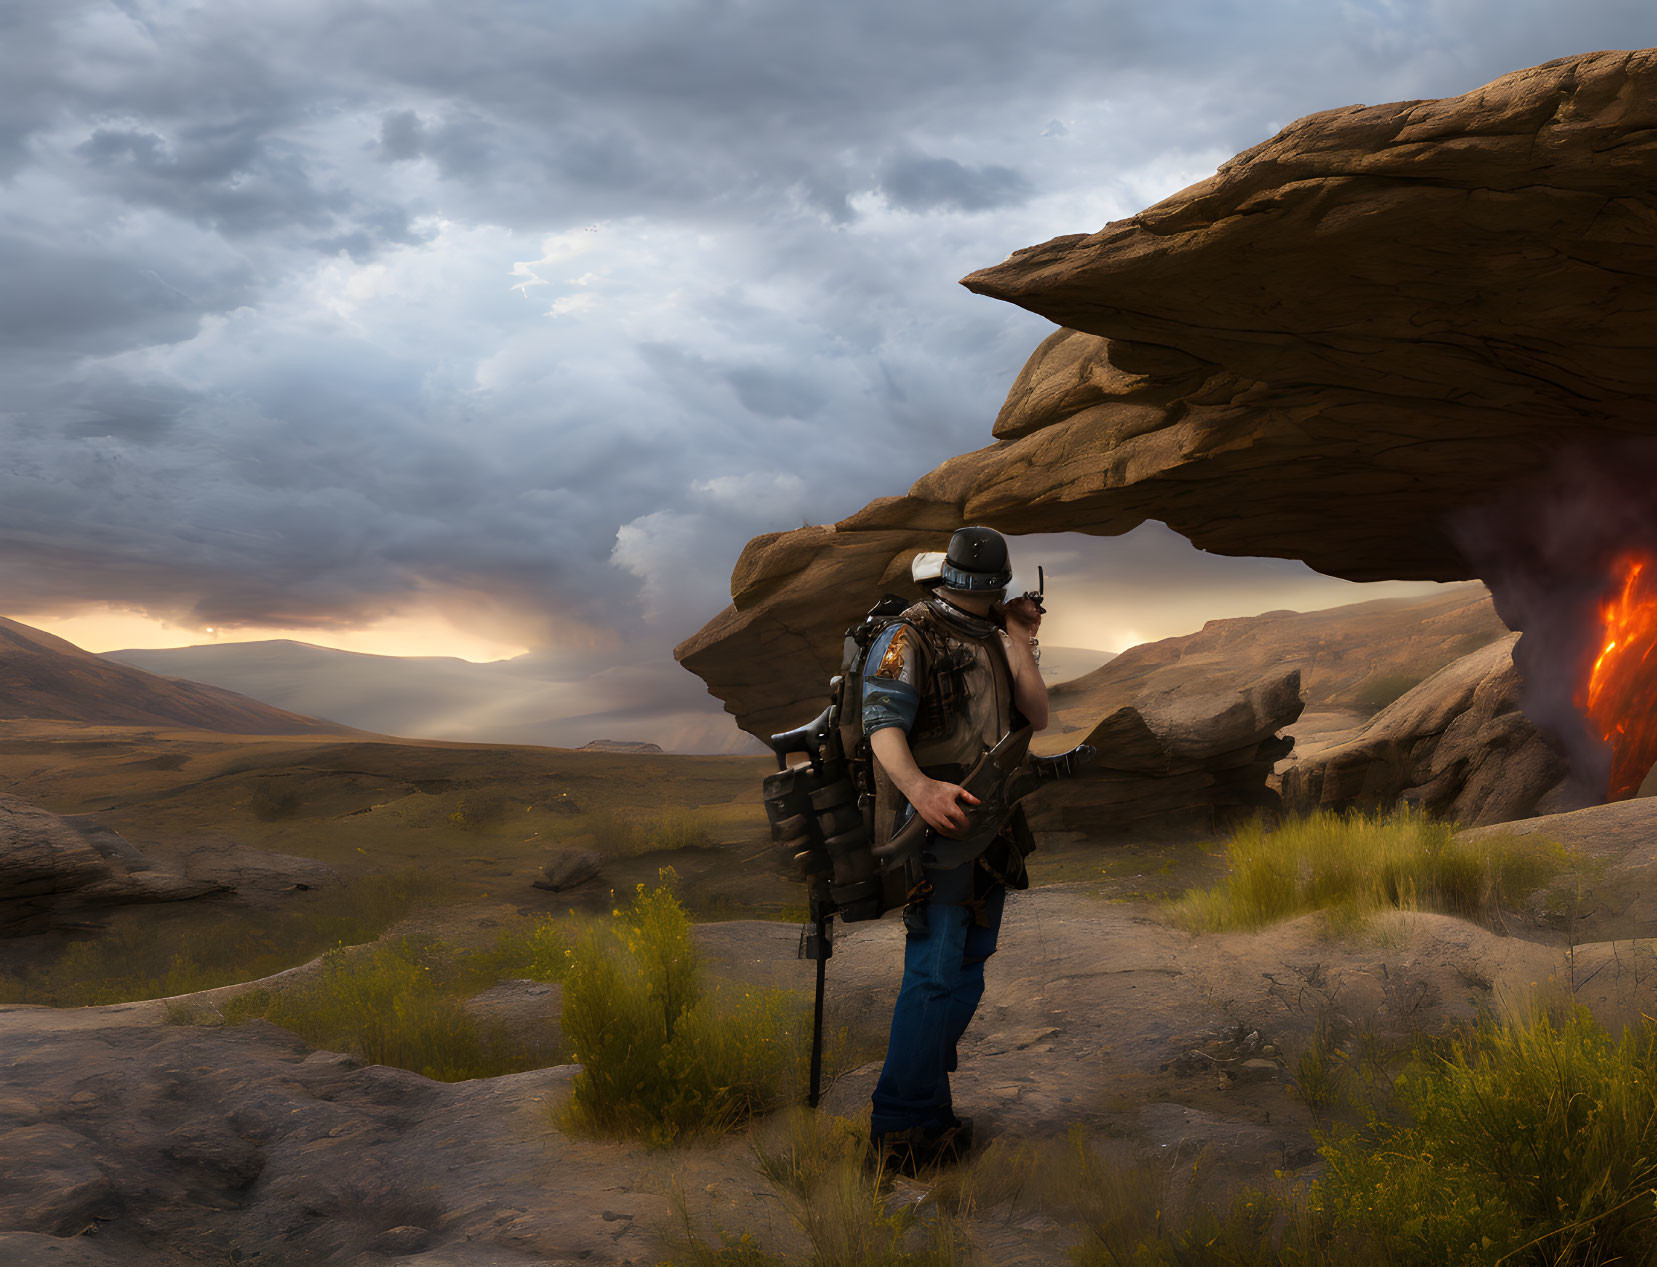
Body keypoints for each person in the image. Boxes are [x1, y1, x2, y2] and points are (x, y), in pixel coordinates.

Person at [859, 525, 1049, 1175]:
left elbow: (1035, 713)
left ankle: (928, 1112)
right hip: (934, 830)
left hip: (990, 826)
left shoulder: (994, 635)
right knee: (935, 973)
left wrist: (1021, 640)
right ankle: (897, 1125)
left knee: (966, 968)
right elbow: (880, 719)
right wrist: (918, 787)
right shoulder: (908, 633)